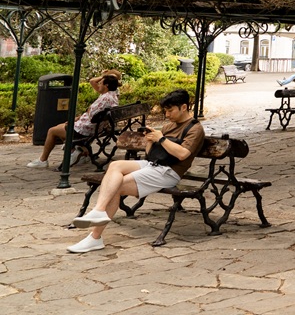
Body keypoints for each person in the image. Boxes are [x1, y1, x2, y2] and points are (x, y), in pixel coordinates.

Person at [68, 88, 205, 253]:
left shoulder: (195, 129)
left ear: (184, 107)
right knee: (115, 166)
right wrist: (150, 140)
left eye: (170, 110)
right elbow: (150, 155)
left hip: (169, 172)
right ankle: (98, 211)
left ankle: (95, 237)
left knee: (116, 187)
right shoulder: (169, 126)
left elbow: (183, 154)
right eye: (165, 111)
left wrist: (160, 138)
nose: (167, 115)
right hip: (154, 164)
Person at [27, 72, 120, 169]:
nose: (99, 85)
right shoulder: (112, 96)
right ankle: (78, 151)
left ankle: (43, 160)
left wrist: (82, 115)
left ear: (106, 85)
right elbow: (92, 113)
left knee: (52, 131)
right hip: (96, 128)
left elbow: (91, 114)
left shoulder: (105, 98)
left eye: (101, 83)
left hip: (85, 130)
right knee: (61, 126)